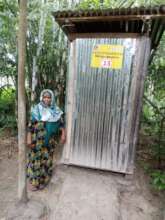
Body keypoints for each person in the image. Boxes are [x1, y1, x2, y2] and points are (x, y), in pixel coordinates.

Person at [27, 89, 66, 191]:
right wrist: (29, 139)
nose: (47, 99)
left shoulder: (56, 110)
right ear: (42, 98)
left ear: (52, 98)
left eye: (49, 97)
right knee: (35, 160)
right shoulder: (37, 109)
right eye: (45, 97)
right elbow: (30, 126)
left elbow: (61, 124)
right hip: (37, 141)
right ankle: (35, 183)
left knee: (47, 161)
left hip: (50, 141)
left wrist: (63, 134)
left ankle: (43, 182)